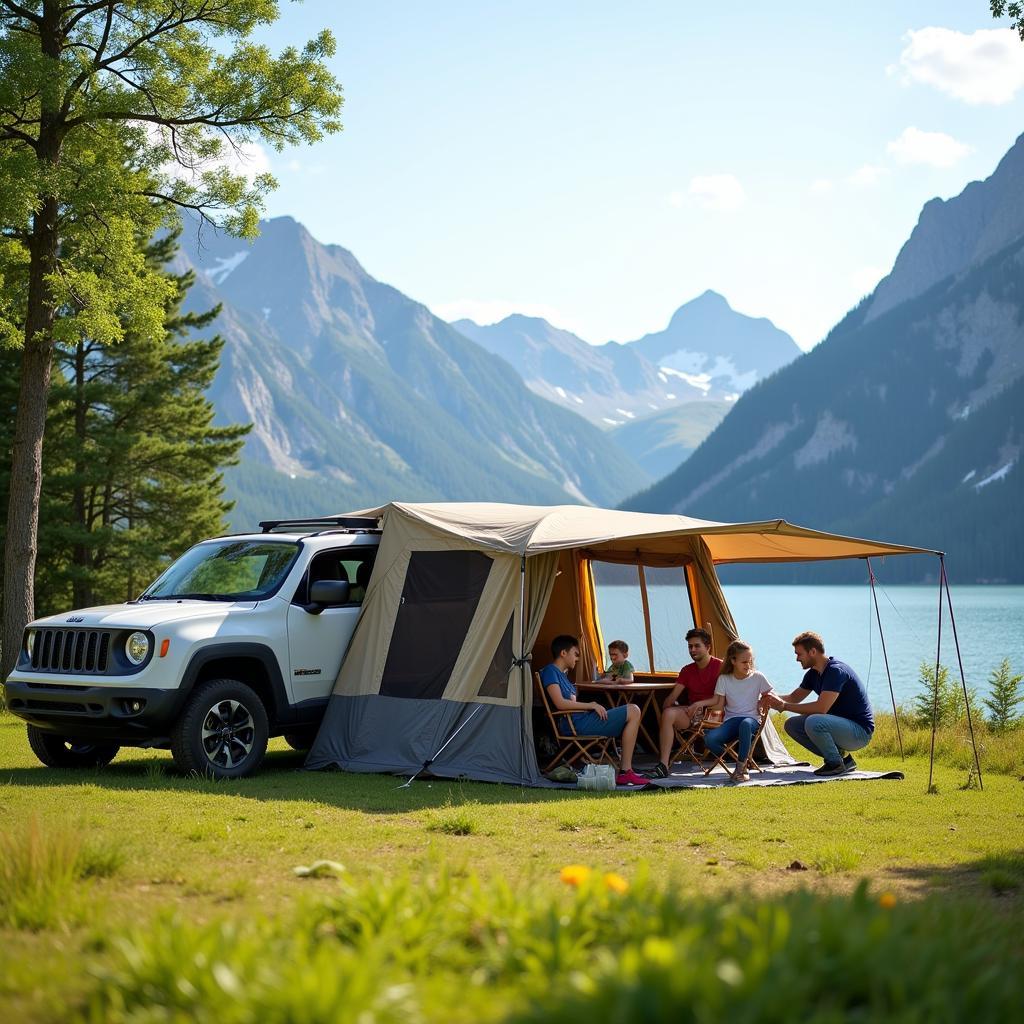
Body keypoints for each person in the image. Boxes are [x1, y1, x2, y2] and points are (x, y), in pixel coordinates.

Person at [540, 634, 647, 787]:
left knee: (631, 711)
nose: (577, 659)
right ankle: (625, 772)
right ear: (563, 653)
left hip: (581, 721)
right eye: (575, 654)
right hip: (576, 724)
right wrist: (591, 705)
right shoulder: (551, 671)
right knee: (633, 710)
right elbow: (560, 703)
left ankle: (626, 770)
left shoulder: (563, 676)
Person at [763, 630, 873, 776]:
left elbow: (821, 708)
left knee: (814, 721)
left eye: (799, 654)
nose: (797, 659)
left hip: (859, 732)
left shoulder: (835, 671)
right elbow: (794, 697)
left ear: (813, 651)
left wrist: (784, 706)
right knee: (792, 725)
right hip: (840, 727)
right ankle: (842, 759)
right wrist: (767, 697)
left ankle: (835, 763)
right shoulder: (813, 674)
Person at [648, 627, 722, 779]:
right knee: (668, 714)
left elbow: (722, 700)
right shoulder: (687, 670)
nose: (692, 650)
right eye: (690, 646)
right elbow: (673, 696)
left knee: (677, 712)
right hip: (693, 714)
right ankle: (663, 765)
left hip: (716, 713)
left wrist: (700, 704)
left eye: (697, 646)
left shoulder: (720, 666)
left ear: (708, 647)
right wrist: (669, 704)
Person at [702, 640, 775, 782]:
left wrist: (763, 701)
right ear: (733, 660)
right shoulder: (724, 679)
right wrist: (704, 718)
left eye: (750, 661)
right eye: (744, 662)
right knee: (710, 739)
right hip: (731, 721)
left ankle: (742, 768)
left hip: (752, 720)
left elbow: (771, 695)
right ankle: (736, 758)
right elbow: (719, 704)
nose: (748, 665)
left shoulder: (758, 677)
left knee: (745, 724)